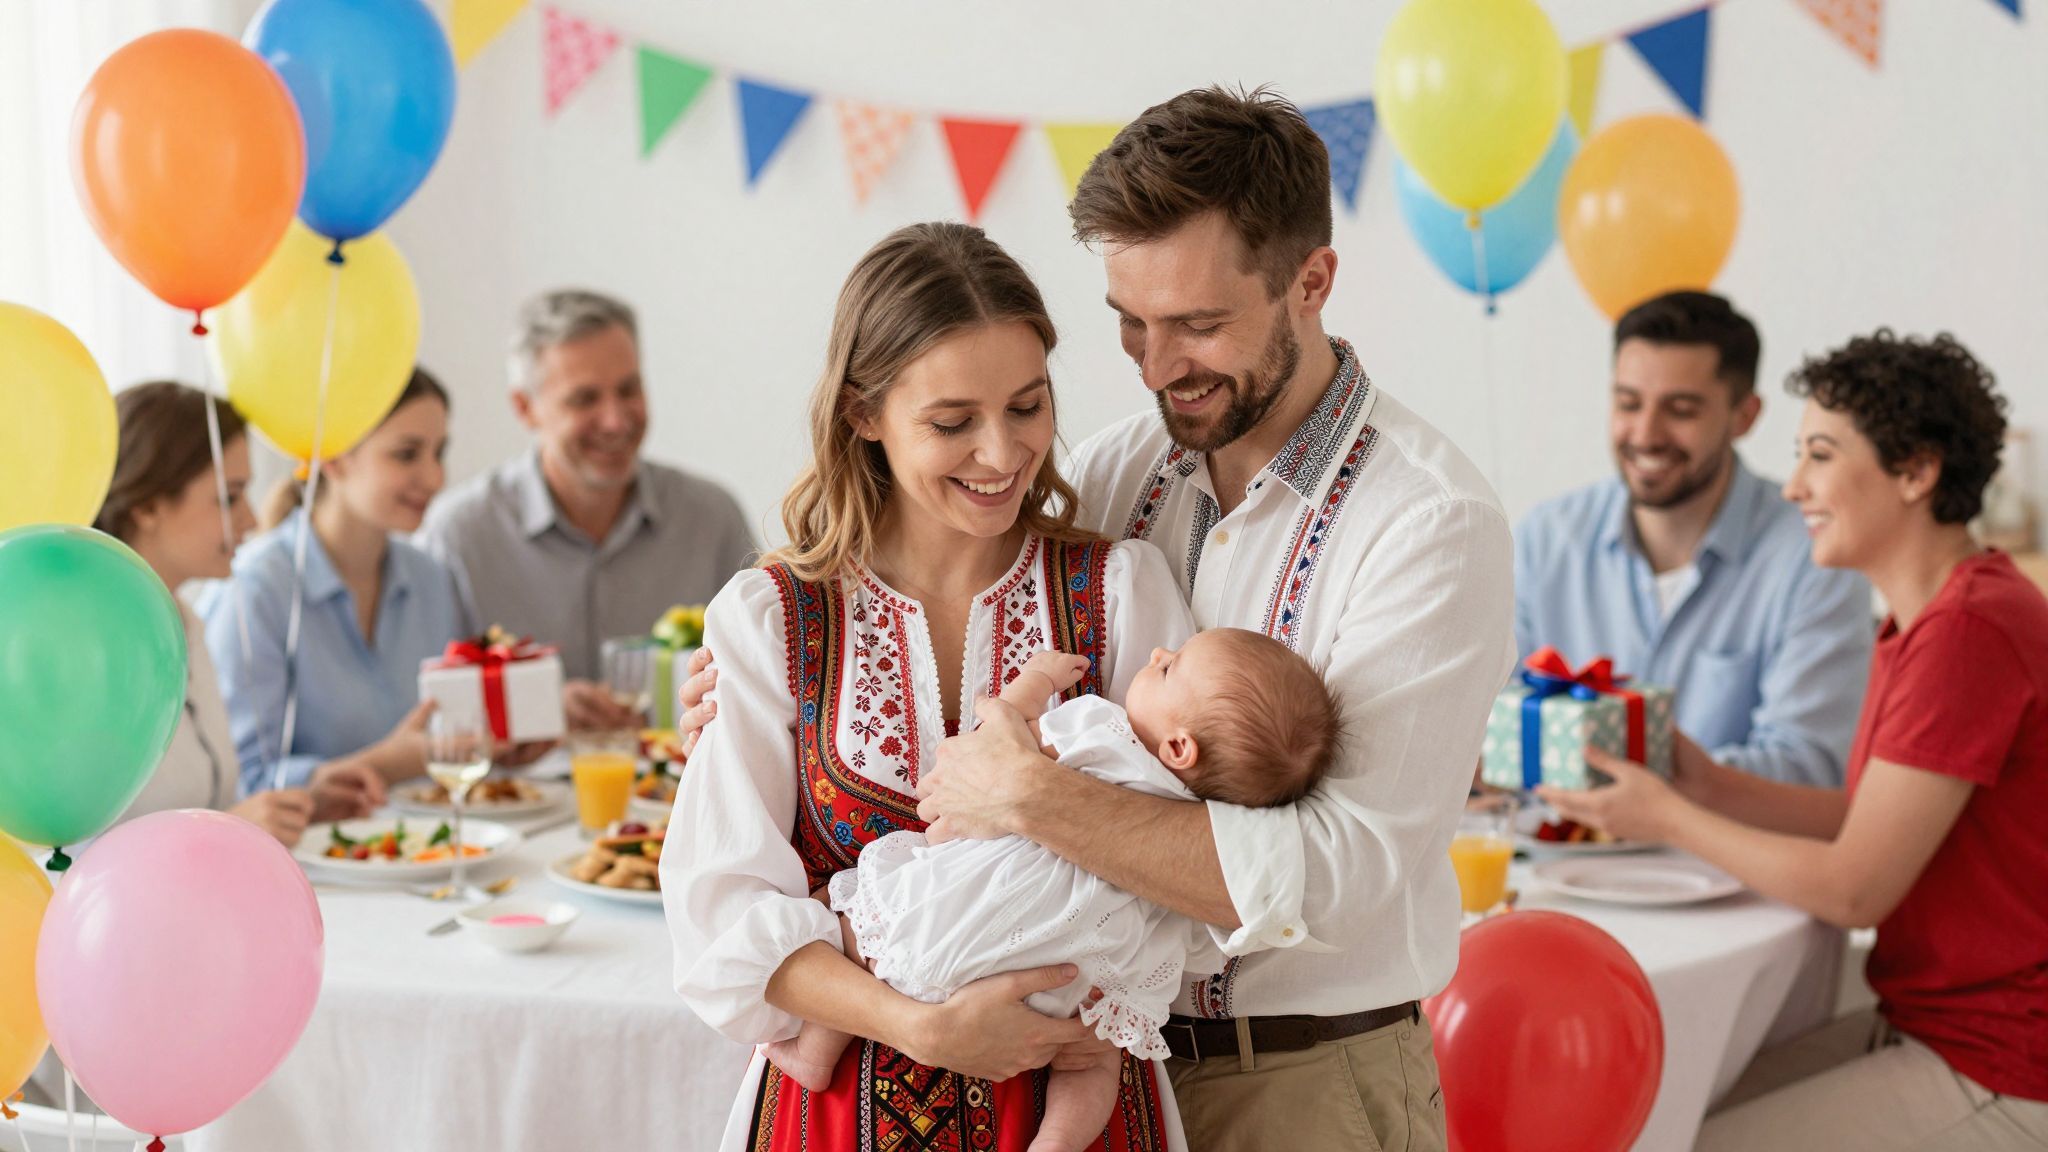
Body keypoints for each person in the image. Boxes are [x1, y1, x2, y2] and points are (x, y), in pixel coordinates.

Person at [681, 87, 1515, 1151]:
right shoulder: (1131, 469)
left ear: (1311, 283)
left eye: (1199, 325)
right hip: (1113, 1060)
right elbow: (943, 546)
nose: (1160, 365)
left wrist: (1030, 795)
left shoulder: (1427, 523)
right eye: (1130, 322)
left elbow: (1335, 871)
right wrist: (750, 686)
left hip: (1299, 1071)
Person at [661, 222, 1202, 1151]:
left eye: (1028, 407)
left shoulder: (1122, 593)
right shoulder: (770, 620)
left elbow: (1199, 867)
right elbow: (721, 917)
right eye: (952, 423)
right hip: (838, 1118)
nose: (1001, 454)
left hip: (1078, 1107)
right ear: (863, 413)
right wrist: (921, 1026)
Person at [1543, 331, 2048, 1152]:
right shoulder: (1925, 620)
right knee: (1658, 1120)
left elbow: (1855, 890)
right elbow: (1866, 819)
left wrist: (1667, 817)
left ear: (1916, 472)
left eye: (1820, 455)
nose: (1795, 488)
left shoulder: (1968, 632)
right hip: (1931, 1027)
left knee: (1685, 1142)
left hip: (1999, 1063)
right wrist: (1705, 782)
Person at [767, 632, 1342, 1152]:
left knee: (846, 921)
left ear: (1179, 748)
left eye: (1170, 670)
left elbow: (1000, 746)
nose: (1158, 653)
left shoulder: (1102, 730)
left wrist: (1034, 683)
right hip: (1067, 986)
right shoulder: (1202, 829)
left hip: (945, 930)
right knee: (1096, 1057)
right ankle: (1058, 1143)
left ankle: (812, 1055)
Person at [1514, 291, 1872, 787]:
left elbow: (1809, 769)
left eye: (1680, 409)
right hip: (1548, 859)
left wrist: (1624, 773)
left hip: (1726, 863)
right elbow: (1490, 728)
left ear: (1744, 416)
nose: (1646, 434)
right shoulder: (1545, 540)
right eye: (1628, 403)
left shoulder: (1815, 554)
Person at [416, 289, 755, 730]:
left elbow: (769, 678)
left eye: (628, 389)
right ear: (525, 408)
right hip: (512, 795)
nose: (615, 420)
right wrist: (532, 707)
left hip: (676, 793)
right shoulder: (458, 535)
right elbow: (427, 712)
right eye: (584, 399)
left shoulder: (712, 519)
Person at [97, 382, 378, 836]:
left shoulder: (184, 624)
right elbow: (62, 864)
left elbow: (206, 802)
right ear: (147, 506)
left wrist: (304, 801)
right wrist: (227, 829)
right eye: (229, 497)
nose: (250, 519)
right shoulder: (85, 651)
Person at [199, 369, 464, 796]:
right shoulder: (255, 591)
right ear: (335, 457)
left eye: (440, 452)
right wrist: (383, 766)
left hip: (421, 846)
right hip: (305, 858)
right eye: (407, 454)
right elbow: (237, 787)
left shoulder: (429, 577)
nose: (435, 478)